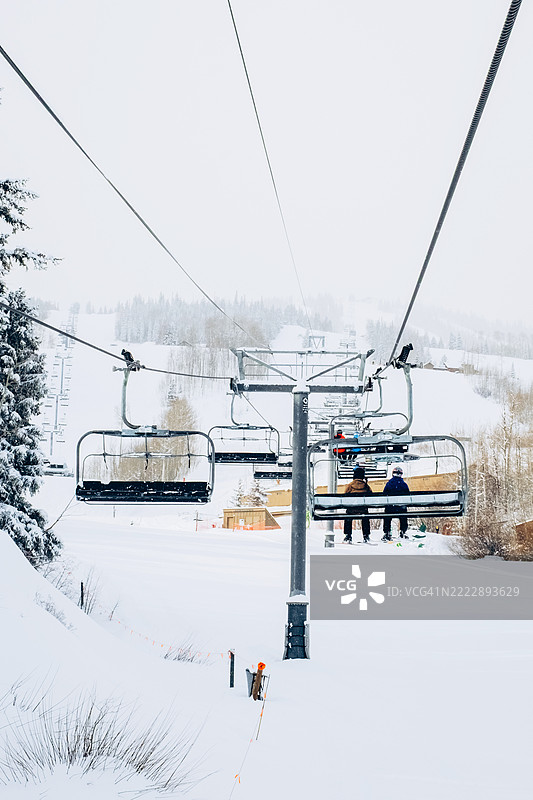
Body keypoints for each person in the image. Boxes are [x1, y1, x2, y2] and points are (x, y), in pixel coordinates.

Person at [343, 465, 373, 544]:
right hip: (363, 510)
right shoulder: (366, 486)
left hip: (352, 510)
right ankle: (366, 535)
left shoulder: (350, 486)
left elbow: (345, 497)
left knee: (348, 517)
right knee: (365, 517)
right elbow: (371, 497)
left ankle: (348, 535)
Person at [382, 466, 410, 541]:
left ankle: (387, 532)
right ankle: (403, 531)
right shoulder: (404, 484)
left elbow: (384, 494)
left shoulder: (389, 484)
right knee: (403, 515)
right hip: (401, 508)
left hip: (390, 507)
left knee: (387, 515)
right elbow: (407, 496)